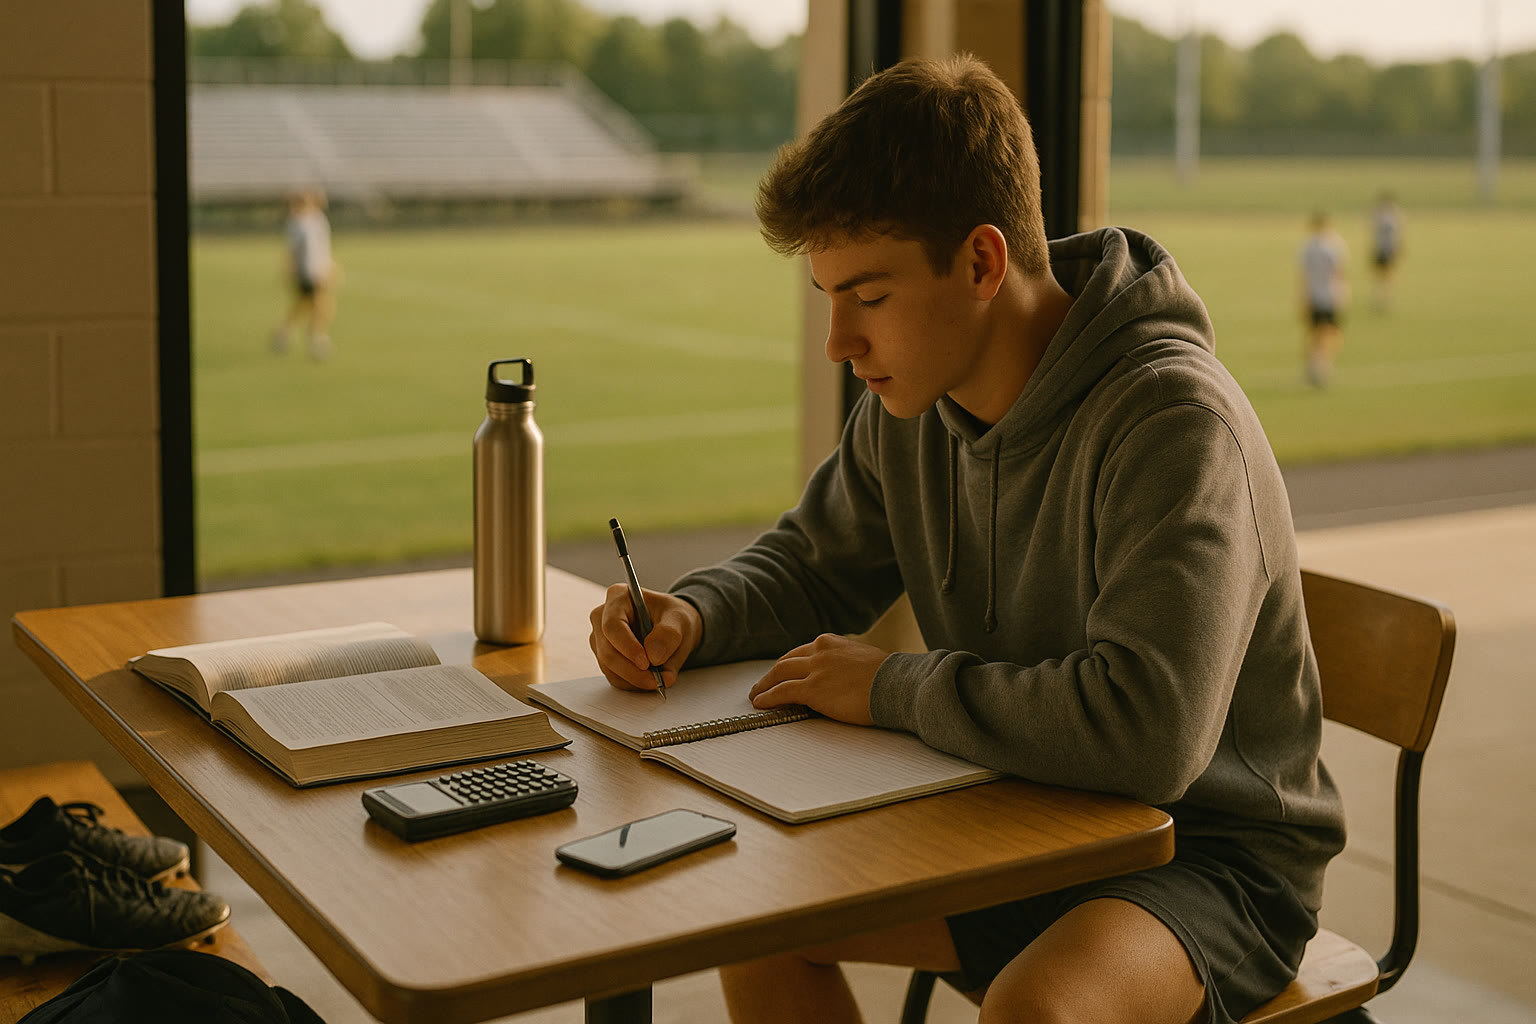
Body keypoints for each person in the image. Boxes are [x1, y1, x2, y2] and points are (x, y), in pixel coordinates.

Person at [587, 55, 1344, 1024]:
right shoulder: (913, 400)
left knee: (1037, 1008)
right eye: (826, 297)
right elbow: (814, 562)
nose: (837, 342)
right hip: (1010, 809)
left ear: (983, 263)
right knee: (757, 913)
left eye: (867, 295)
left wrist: (893, 685)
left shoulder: (1173, 422)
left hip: (1204, 855)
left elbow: (1148, 734)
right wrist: (693, 612)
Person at [272, 188, 336, 361]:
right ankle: (317, 338)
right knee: (320, 304)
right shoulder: (298, 223)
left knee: (303, 304)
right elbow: (293, 250)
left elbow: (323, 247)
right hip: (308, 270)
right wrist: (291, 268)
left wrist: (329, 266)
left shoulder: (317, 220)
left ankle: (284, 334)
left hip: (318, 269)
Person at [1298, 210, 1348, 387]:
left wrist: (1303, 297)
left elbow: (1305, 275)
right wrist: (1342, 293)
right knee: (1330, 332)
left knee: (1315, 333)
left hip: (1314, 294)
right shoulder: (1334, 245)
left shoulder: (1309, 247)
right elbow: (1339, 272)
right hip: (1329, 295)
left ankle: (1314, 365)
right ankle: (1322, 365)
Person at [1370, 190, 1403, 311]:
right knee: (1383, 275)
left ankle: (1382, 297)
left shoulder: (1381, 215)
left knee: (1383, 275)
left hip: (1385, 248)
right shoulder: (1393, 215)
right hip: (1385, 248)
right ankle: (1382, 297)